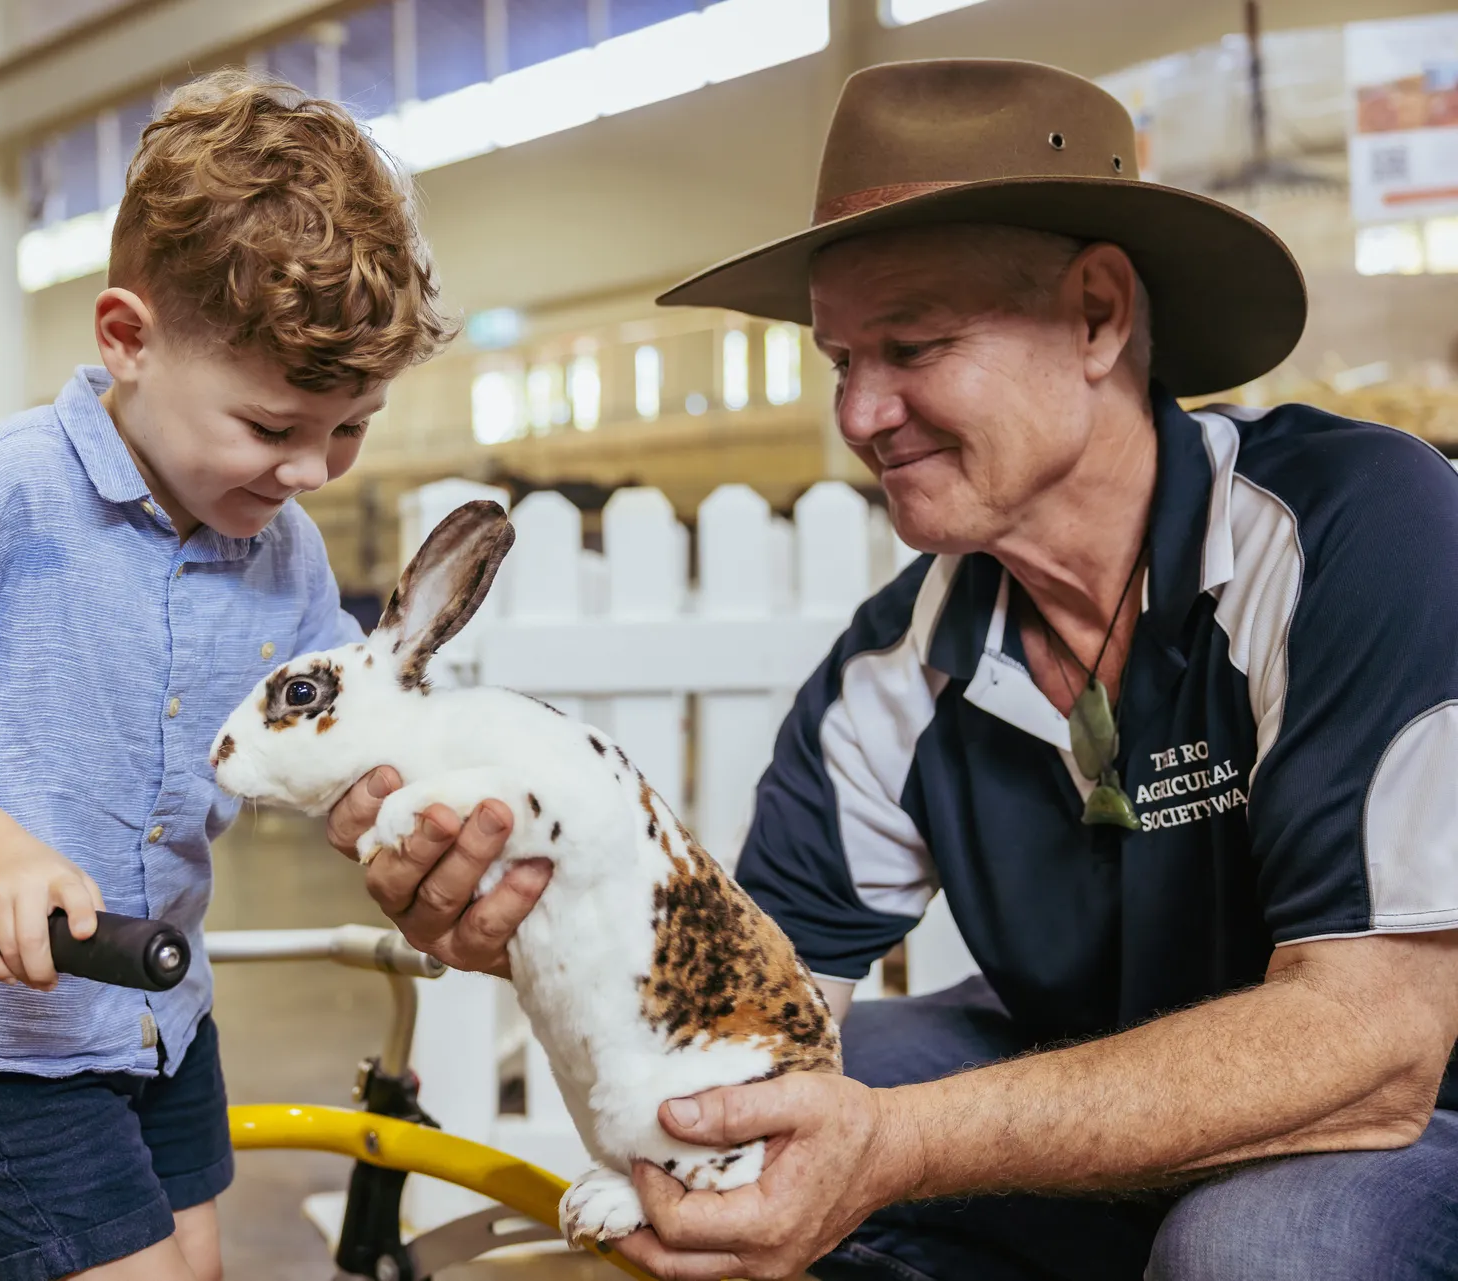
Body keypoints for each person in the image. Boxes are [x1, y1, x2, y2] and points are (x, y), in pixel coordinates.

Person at [324, 59, 1458, 1280]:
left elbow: (1375, 1044)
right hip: (1098, 1077)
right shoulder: (892, 669)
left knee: (1259, 1252)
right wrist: (549, 923)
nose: (861, 414)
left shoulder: (1350, 529)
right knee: (729, 1133)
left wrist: (896, 1146)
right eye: (839, 361)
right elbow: (743, 1021)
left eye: (913, 345)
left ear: (1097, 316)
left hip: (1409, 1115)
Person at [0, 70, 451, 1281]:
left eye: (349, 427)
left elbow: (320, 721)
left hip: (160, 1013)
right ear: (127, 339)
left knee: (197, 1266)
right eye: (269, 427)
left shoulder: (281, 546)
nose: (312, 471)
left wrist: (379, 803)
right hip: (0, 1036)